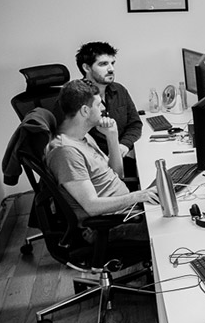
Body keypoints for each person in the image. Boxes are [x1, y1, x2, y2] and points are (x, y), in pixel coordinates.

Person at [45, 80, 157, 244]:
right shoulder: (65, 152)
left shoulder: (83, 136)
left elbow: (117, 175)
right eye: (98, 105)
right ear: (85, 111)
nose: (104, 109)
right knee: (174, 227)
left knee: (175, 194)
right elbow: (92, 206)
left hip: (128, 212)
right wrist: (139, 196)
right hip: (110, 226)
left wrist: (112, 136)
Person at [75, 42, 142, 171]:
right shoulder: (76, 98)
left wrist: (123, 146)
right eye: (103, 64)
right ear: (87, 68)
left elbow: (135, 124)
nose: (111, 69)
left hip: (123, 156)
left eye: (112, 63)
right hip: (97, 169)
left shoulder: (119, 90)